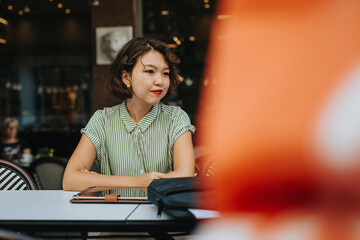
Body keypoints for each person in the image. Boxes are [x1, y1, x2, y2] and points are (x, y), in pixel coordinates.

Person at [63, 37, 195, 197]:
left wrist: (98, 181)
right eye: (150, 71)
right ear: (126, 77)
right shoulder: (102, 120)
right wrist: (137, 182)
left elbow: (185, 178)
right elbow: (70, 180)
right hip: (114, 218)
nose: (160, 81)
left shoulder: (176, 118)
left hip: (161, 217)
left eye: (165, 73)